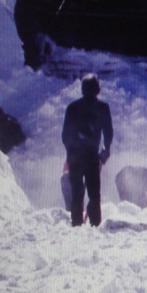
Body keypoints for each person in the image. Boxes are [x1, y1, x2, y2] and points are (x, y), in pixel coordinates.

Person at [61, 74, 113, 227]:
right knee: (94, 194)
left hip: (75, 155)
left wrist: (71, 151)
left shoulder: (72, 108)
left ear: (82, 89)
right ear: (97, 89)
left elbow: (65, 135)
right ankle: (95, 224)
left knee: (76, 193)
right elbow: (108, 132)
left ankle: (76, 224)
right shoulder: (102, 108)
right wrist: (105, 151)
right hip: (91, 156)